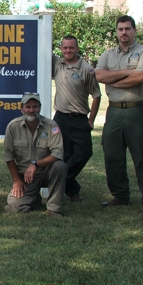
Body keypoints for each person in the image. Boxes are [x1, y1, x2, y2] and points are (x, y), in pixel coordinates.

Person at [95, 15, 143, 211]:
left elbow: (141, 77)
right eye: (120, 29)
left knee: (142, 156)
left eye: (127, 29)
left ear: (134, 30)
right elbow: (99, 75)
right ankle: (120, 195)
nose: (124, 32)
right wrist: (129, 73)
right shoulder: (108, 54)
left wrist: (114, 80)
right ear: (116, 31)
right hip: (113, 111)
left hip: (138, 111)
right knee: (112, 156)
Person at [52, 35, 101, 201]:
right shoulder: (57, 63)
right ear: (61, 48)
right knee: (63, 154)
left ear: (77, 48)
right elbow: (39, 49)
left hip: (80, 118)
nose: (67, 51)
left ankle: (62, 180)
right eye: (65, 47)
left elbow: (96, 95)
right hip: (61, 118)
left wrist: (91, 120)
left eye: (71, 48)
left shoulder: (86, 69)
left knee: (84, 152)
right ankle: (72, 192)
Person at [4, 93, 67, 217]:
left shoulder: (51, 126)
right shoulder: (13, 126)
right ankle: (34, 198)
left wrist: (35, 164)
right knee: (15, 208)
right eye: (28, 107)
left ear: (39, 108)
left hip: (45, 172)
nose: (31, 110)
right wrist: (17, 181)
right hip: (25, 177)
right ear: (21, 108)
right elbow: (8, 157)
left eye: (35, 107)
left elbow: (57, 153)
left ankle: (54, 208)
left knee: (60, 166)